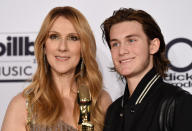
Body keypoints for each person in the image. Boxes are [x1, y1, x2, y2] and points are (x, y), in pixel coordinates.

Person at [1, 6, 112, 131]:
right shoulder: (23, 106)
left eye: (73, 38)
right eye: (54, 36)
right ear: (44, 46)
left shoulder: (99, 101)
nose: (62, 47)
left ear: (83, 48)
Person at [101, 8, 192, 131]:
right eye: (115, 44)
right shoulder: (113, 111)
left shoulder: (179, 103)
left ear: (153, 46)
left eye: (131, 40)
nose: (122, 51)